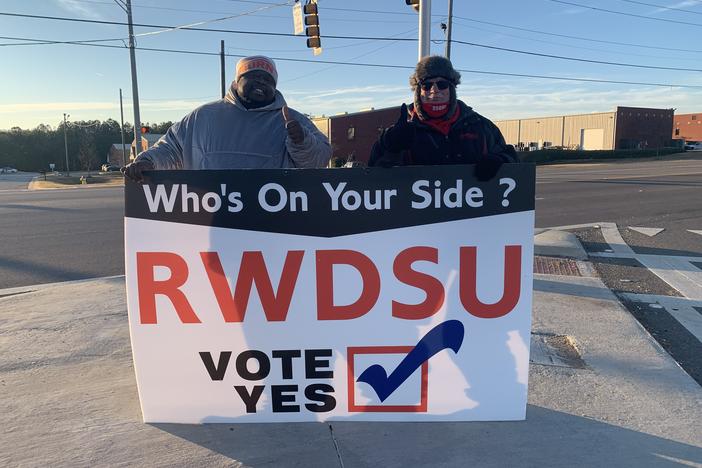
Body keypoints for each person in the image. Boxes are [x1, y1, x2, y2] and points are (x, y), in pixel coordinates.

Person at [122, 55, 331, 182]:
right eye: (253, 76)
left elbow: (320, 160)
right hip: (211, 218)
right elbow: (170, 148)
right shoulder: (203, 117)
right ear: (237, 81)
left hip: (274, 218)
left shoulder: (292, 120)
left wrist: (302, 142)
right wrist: (147, 162)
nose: (261, 82)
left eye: (268, 80)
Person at [368, 55, 517, 181]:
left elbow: (510, 158)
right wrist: (391, 147)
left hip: (470, 212)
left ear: (452, 88)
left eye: (442, 84)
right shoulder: (402, 129)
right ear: (418, 91)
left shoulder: (479, 126)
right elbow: (372, 175)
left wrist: (500, 161)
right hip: (420, 213)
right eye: (426, 85)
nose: (434, 91)